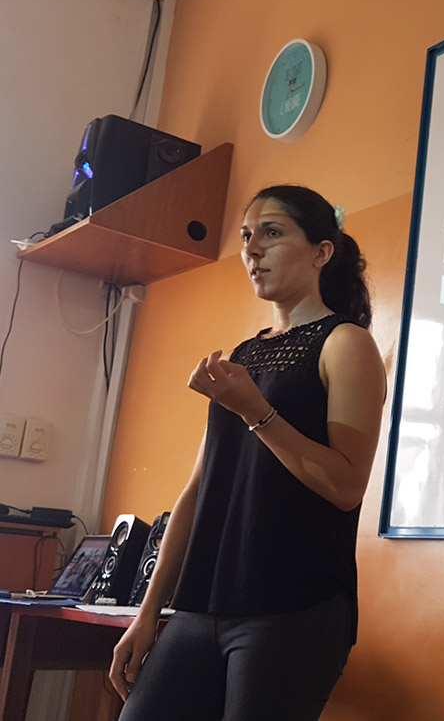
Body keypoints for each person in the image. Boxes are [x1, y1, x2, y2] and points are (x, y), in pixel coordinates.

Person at [109, 185, 387, 720]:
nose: (252, 249)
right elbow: (198, 489)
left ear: (321, 251)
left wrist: (255, 410)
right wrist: (148, 612)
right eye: (246, 236)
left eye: (273, 233)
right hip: (201, 604)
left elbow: (347, 485)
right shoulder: (245, 353)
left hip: (294, 607)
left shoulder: (346, 343)